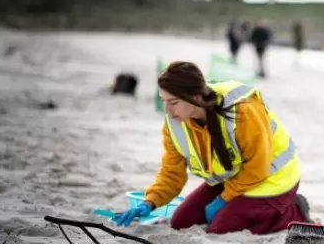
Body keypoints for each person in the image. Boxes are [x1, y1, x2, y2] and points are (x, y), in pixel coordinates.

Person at [115, 60, 311, 234]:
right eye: (164, 101)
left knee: (220, 228)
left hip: (274, 178)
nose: (167, 110)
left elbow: (257, 167)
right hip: (235, 178)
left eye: (173, 102)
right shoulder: (174, 124)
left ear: (196, 96)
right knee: (180, 222)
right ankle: (241, 206)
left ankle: (294, 210)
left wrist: (224, 199)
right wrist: (150, 202)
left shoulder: (242, 110)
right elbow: (171, 174)